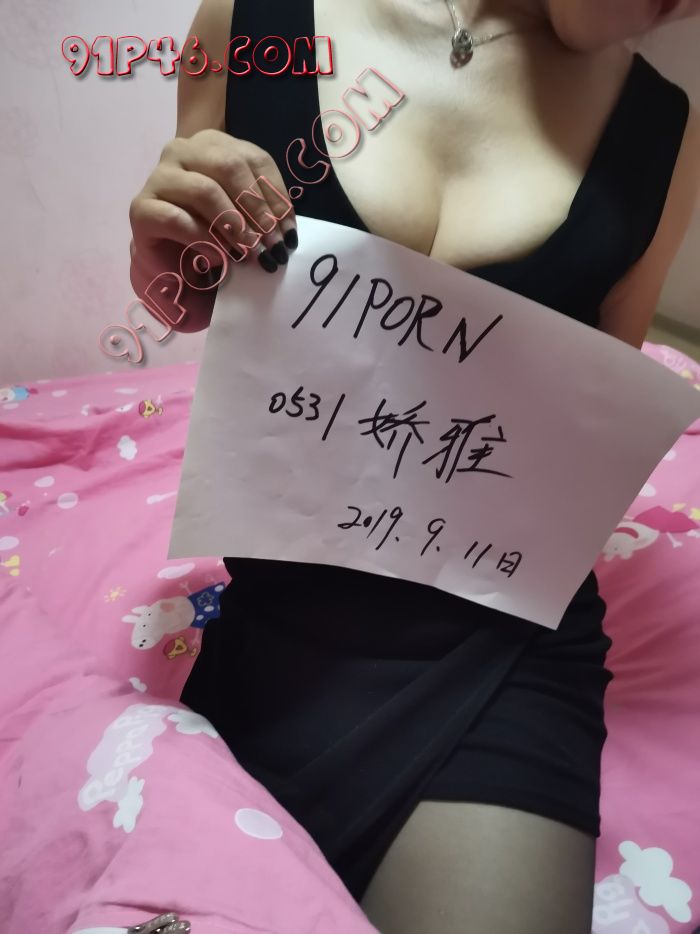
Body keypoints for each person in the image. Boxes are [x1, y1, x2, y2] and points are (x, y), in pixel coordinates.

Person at [128, 1, 700, 931]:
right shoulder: (250, 21)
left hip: (502, 640)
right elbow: (190, 297)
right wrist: (164, 253)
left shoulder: (666, 133)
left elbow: (588, 422)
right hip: (278, 606)